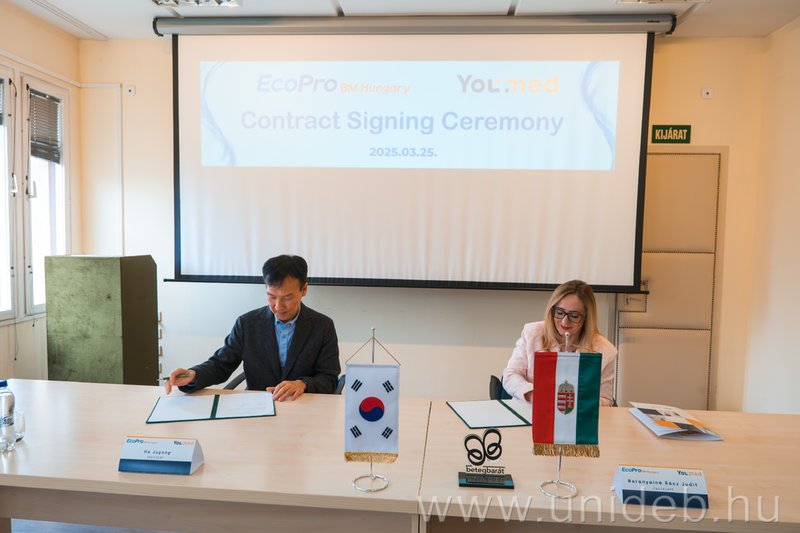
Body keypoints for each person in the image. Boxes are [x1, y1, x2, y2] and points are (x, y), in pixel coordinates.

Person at [165, 255, 340, 401]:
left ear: (304, 290)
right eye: (272, 296)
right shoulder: (247, 324)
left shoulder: (322, 326)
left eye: (287, 298)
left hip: (303, 408)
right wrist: (193, 375)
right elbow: (220, 365)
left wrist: (303, 384)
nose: (278, 306)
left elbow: (329, 379)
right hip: (257, 407)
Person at [503, 280, 617, 406]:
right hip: (530, 411)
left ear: (587, 318)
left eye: (574, 316)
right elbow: (510, 375)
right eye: (559, 312)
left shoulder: (605, 351)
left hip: (577, 415)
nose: (564, 322)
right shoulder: (532, 333)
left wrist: (572, 402)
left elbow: (606, 400)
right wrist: (535, 395)